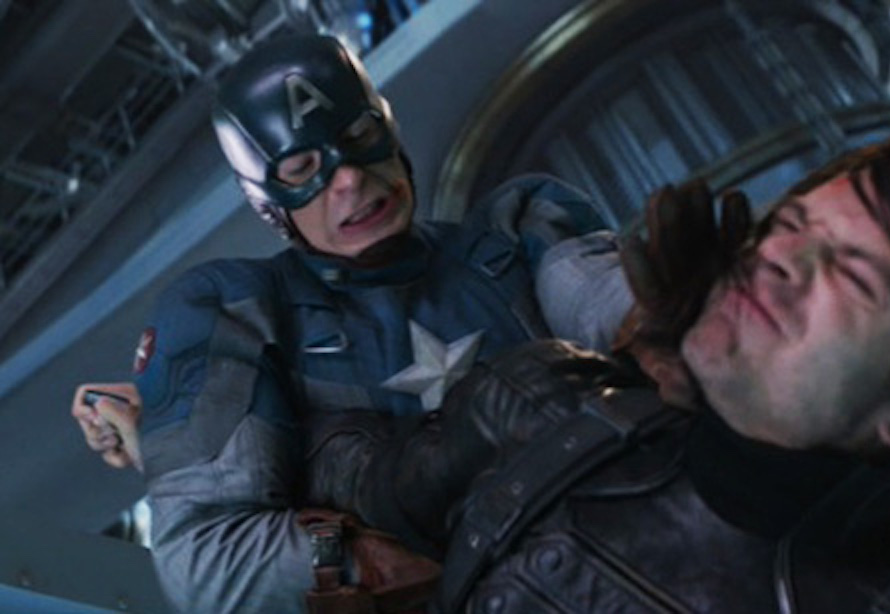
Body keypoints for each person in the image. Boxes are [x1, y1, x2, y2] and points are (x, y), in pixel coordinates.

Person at [304, 135, 890, 613]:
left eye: (855, 274)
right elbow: (347, 473)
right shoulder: (541, 401)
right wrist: (343, 563)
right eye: (791, 224)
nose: (778, 259)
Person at [72, 33, 634, 613]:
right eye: (302, 168)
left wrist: (671, 316)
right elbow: (210, 557)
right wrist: (375, 558)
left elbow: (617, 311)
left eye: (359, 137)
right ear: (268, 202)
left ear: (389, 133)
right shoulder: (236, 311)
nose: (349, 179)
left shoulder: (519, 230)